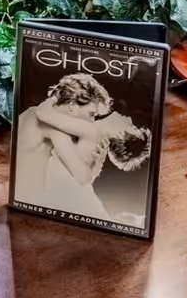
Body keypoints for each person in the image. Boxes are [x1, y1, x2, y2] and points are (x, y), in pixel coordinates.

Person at [14, 72, 152, 224]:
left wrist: (54, 97)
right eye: (92, 113)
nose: (129, 118)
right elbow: (79, 180)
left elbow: (43, 113)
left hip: (30, 204)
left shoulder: (87, 132)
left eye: (132, 126)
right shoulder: (71, 133)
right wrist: (97, 164)